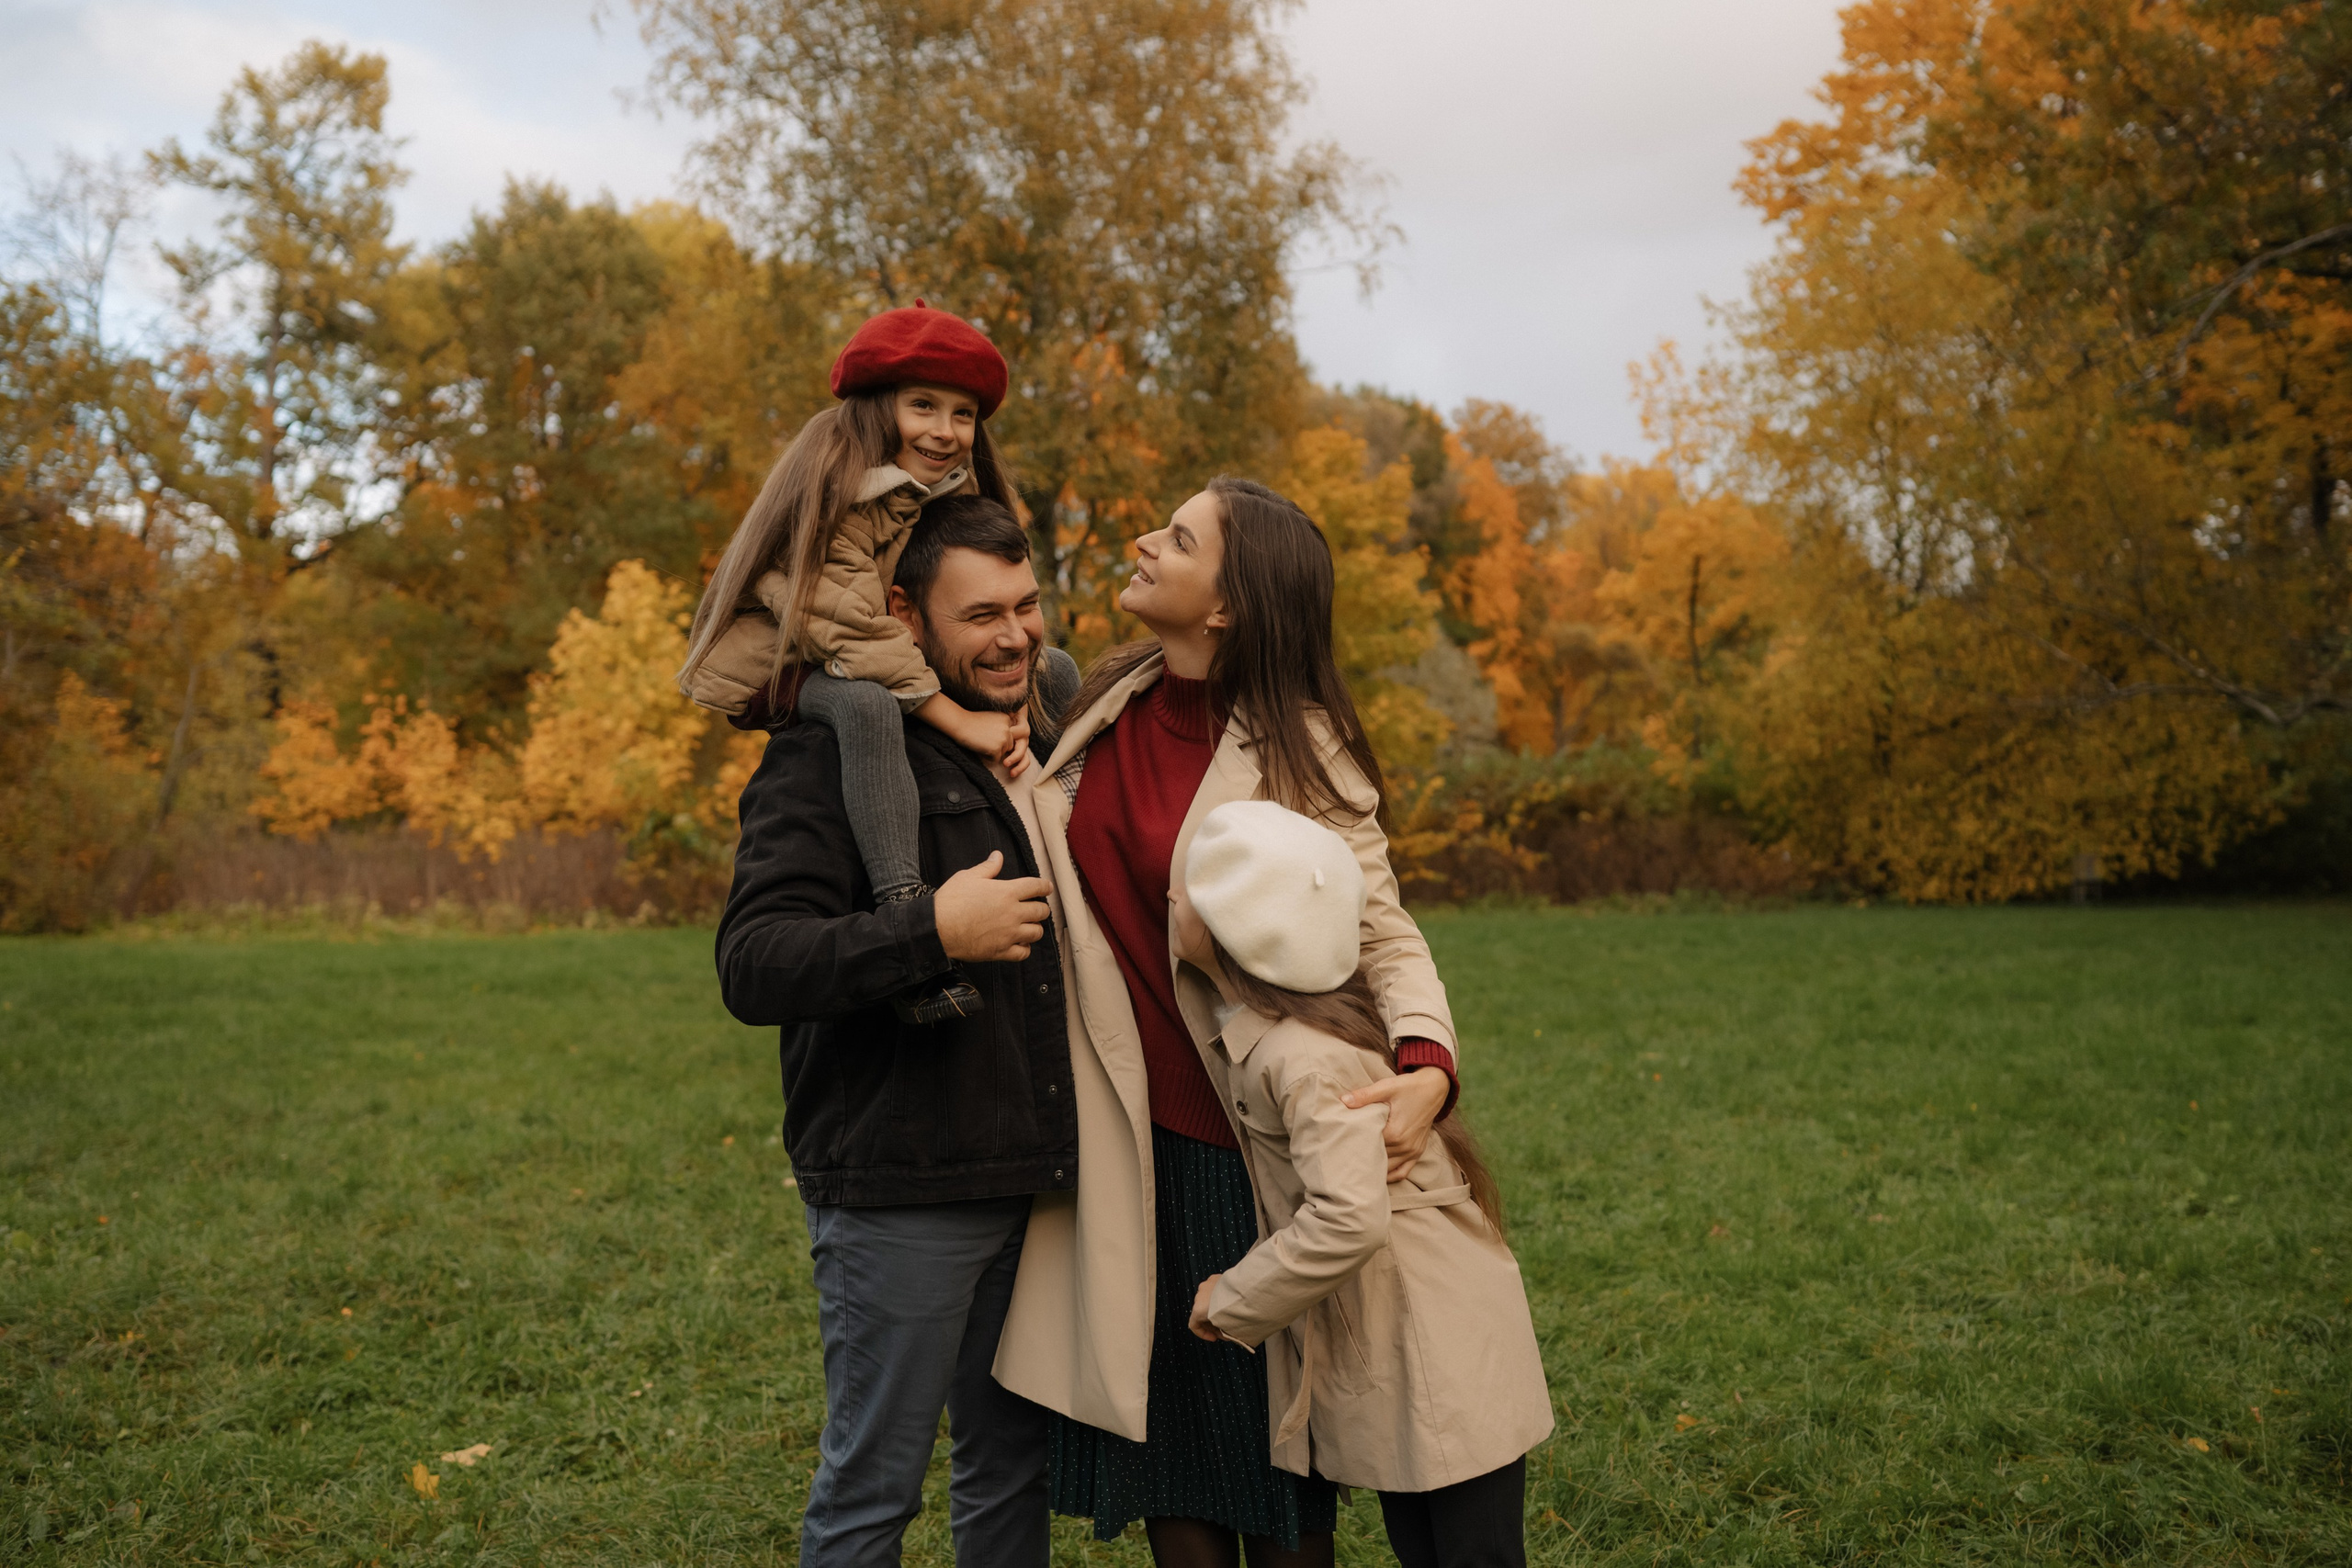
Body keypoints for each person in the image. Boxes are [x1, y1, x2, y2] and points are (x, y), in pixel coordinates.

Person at [990, 477, 1463, 1568]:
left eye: (1179, 537)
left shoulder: (1297, 746)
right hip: (1119, 1141)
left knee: (1275, 1475)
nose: (1146, 539)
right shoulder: (1104, 696)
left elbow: (1383, 929)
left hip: (1243, 1145)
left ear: (1228, 605)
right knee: (1174, 1479)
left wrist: (1429, 1062)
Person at [716, 495, 1081, 1568]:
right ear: (903, 617)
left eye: (1025, 606)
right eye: (979, 615)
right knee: (874, 1489)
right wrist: (930, 929)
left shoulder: (1036, 738)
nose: (1013, 635)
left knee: (1012, 1467)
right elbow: (755, 963)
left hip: (1039, 1177)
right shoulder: (827, 746)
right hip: (902, 1184)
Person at [1180, 798, 1553, 1568]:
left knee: (1472, 1554)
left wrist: (1234, 1299)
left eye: (1187, 890)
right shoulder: (1278, 1034)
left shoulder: (1301, 1057)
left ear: (1231, 930)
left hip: (1437, 1349)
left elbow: (1349, 1218)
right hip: (1411, 1342)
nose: (1171, 896)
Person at [682, 301, 1076, 1024]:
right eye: (922, 405)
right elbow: (852, 629)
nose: (945, 430)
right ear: (875, 406)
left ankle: (1064, 826)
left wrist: (1014, 703)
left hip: (870, 646)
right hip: (790, 660)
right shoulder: (833, 487)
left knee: (1060, 669)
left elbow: (968, 592)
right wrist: (959, 718)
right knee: (864, 706)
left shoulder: (944, 488)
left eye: (962, 413)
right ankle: (905, 897)